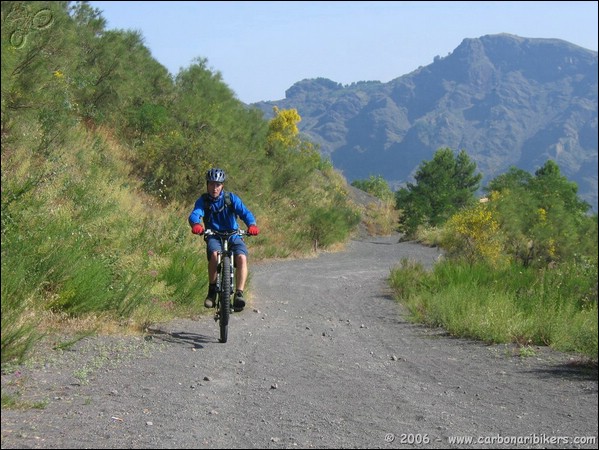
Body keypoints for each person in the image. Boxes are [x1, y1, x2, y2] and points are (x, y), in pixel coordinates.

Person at [188, 168, 259, 311]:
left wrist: (251, 225)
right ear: (207, 185)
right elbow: (195, 214)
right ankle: (212, 292)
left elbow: (245, 213)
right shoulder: (203, 201)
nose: (215, 188)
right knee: (214, 255)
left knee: (242, 257)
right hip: (214, 235)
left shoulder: (230, 198)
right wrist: (196, 224)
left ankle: (239, 293)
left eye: (218, 184)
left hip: (233, 235)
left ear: (222, 186)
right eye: (212, 184)